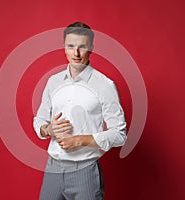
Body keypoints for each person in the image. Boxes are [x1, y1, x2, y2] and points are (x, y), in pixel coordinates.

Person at [33, 21, 127, 200]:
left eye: (82, 47)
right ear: (64, 47)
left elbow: (120, 134)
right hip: (52, 169)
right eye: (71, 46)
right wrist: (48, 130)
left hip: (84, 170)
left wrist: (79, 140)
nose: (76, 53)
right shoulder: (53, 82)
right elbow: (39, 120)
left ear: (91, 47)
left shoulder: (105, 85)